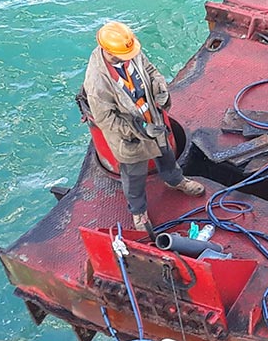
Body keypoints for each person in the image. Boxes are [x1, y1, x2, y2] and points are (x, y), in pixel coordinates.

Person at [83, 21, 205, 230]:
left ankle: (175, 180)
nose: (131, 56)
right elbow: (105, 120)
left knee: (165, 154)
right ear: (109, 52)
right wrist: (138, 130)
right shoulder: (97, 83)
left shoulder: (129, 52)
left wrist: (159, 87)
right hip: (130, 138)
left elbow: (149, 70)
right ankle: (138, 212)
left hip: (153, 120)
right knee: (134, 176)